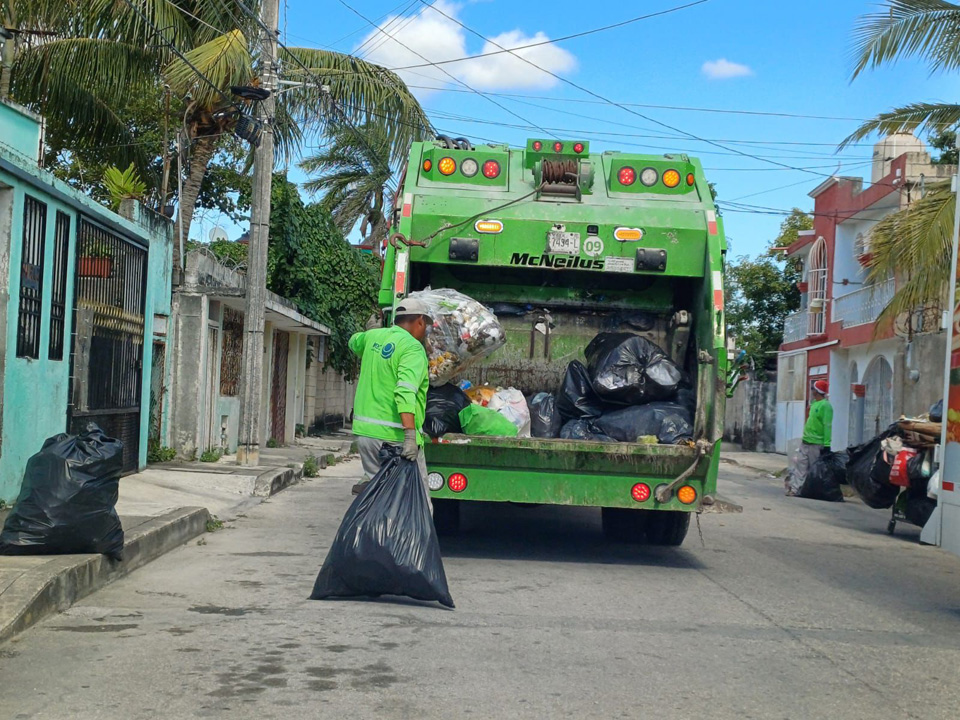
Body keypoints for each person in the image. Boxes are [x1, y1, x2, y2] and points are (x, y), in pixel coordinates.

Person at [348, 298, 431, 501]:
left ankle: (374, 532)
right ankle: (408, 534)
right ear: (419, 321)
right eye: (426, 326)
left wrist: (370, 332)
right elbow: (404, 392)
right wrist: (410, 436)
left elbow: (353, 342)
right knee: (414, 502)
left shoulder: (373, 337)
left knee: (379, 497)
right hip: (394, 438)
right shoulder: (412, 348)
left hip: (366, 435)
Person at [786, 379, 833, 496]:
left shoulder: (826, 406)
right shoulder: (814, 404)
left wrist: (827, 445)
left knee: (814, 469)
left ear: (817, 391)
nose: (811, 390)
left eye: (813, 388)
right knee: (800, 466)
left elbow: (827, 426)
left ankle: (813, 491)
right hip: (806, 441)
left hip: (817, 444)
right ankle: (796, 490)